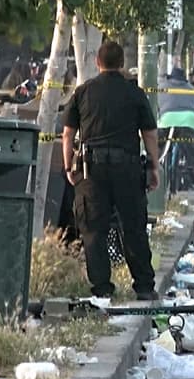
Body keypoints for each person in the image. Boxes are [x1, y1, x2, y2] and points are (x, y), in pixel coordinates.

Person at [62, 40, 160, 299]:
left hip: (91, 170)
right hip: (127, 169)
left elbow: (68, 133)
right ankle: (144, 286)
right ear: (122, 63)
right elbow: (149, 133)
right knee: (134, 227)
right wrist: (154, 166)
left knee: (93, 231)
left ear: (97, 62)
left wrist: (69, 165)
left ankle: (102, 289)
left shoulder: (83, 92)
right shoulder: (134, 93)